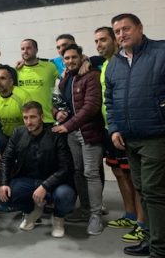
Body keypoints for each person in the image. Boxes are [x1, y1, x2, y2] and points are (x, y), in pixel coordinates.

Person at [105, 13, 165, 257]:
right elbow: (110, 101)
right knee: (143, 190)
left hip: (159, 134)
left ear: (140, 28)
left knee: (154, 191)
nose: (122, 34)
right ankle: (151, 241)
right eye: (117, 31)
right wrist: (114, 128)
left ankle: (161, 250)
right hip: (130, 137)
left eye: (126, 28)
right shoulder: (114, 64)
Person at [94, 26, 145, 243]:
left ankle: (143, 224)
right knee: (119, 173)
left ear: (115, 40)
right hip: (109, 128)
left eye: (103, 40)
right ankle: (130, 215)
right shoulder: (106, 64)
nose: (99, 44)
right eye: (96, 41)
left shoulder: (127, 62)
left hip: (127, 129)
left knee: (136, 177)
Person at [0, 101, 75, 238]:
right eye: (25, 118)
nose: (29, 122)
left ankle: (58, 218)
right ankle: (32, 211)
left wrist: (45, 186)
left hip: (54, 183)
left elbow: (66, 167)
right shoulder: (18, 132)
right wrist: (3, 183)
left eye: (33, 117)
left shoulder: (56, 135)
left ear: (42, 117)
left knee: (66, 196)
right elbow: (6, 159)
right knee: (5, 196)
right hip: (28, 180)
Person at [52, 44, 105, 236]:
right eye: (67, 58)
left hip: (89, 133)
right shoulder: (65, 78)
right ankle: (84, 210)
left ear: (81, 57)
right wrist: (57, 112)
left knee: (91, 173)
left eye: (74, 57)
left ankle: (96, 215)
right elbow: (57, 102)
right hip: (72, 134)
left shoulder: (91, 76)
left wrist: (68, 125)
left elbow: (91, 107)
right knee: (78, 172)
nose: (71, 61)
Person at [0, 65, 32, 164]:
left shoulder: (23, 96)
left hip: (25, 135)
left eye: (2, 78)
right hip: (6, 134)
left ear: (11, 82)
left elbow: (31, 122)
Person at [17, 38, 59, 124]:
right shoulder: (16, 71)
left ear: (36, 50)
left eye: (29, 48)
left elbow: (67, 72)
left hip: (47, 119)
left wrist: (85, 59)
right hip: (25, 121)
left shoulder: (50, 67)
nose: (25, 51)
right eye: (22, 49)